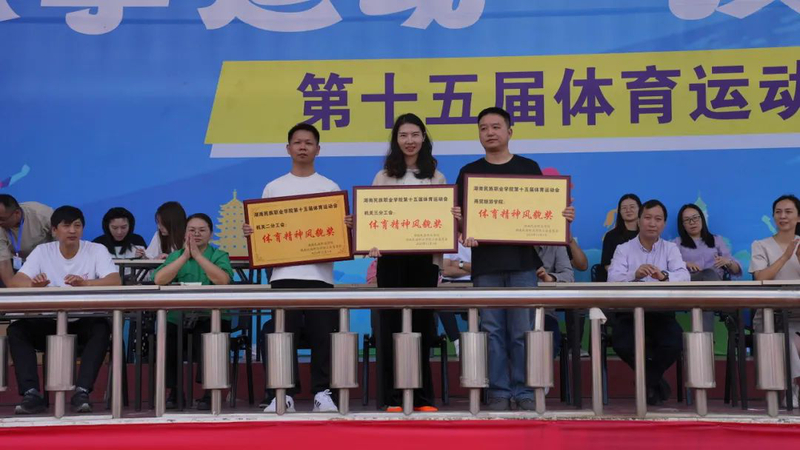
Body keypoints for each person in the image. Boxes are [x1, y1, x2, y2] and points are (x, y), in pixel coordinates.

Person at [452, 107, 575, 411]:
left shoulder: (528, 167)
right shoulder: (469, 172)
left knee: (522, 333)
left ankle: (523, 391)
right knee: (492, 333)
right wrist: (460, 225)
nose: (489, 133)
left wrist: (561, 217)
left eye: (496, 126)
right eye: (483, 128)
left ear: (509, 131)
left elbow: (544, 211)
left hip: (522, 264)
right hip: (486, 265)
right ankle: (498, 391)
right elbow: (460, 223)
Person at [243, 123, 340, 413]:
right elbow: (265, 229)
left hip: (320, 276)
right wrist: (254, 232)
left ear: (318, 149)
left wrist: (344, 228)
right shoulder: (274, 187)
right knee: (283, 336)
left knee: (324, 336)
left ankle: (323, 393)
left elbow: (337, 234)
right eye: (297, 142)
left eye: (308, 143)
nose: (302, 147)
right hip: (284, 275)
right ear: (288, 149)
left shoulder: (329, 187)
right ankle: (283, 393)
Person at [6, 206, 121, 414]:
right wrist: (33, 285)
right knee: (17, 330)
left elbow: (114, 280)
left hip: (82, 323)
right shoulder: (43, 251)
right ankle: (31, 394)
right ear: (54, 230)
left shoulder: (96, 250)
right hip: (48, 323)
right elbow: (16, 282)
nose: (72, 231)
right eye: (66, 226)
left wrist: (85, 284)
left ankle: (82, 392)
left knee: (101, 327)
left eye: (77, 225)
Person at [368, 113, 445, 412]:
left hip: (424, 260)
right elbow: (373, 218)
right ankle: (393, 398)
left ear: (423, 138)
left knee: (422, 328)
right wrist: (371, 241)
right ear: (396, 140)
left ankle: (422, 397)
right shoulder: (383, 176)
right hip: (391, 260)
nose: (409, 140)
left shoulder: (436, 177)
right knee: (391, 328)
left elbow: (442, 221)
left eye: (414, 134)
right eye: (403, 135)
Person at [607, 199, 690, 406]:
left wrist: (664, 276)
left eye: (658, 219)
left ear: (664, 224)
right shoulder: (623, 249)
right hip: (629, 312)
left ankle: (647, 380)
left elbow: (684, 276)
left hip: (661, 311)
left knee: (674, 342)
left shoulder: (670, 248)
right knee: (622, 344)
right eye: (648, 218)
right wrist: (634, 275)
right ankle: (655, 383)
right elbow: (612, 278)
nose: (652, 223)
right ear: (639, 220)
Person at [153, 213, 233, 410]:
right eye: (192, 230)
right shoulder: (176, 256)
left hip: (211, 315)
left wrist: (198, 256)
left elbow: (223, 280)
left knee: (209, 335)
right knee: (166, 336)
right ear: (184, 233)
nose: (197, 234)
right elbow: (159, 279)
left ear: (211, 234)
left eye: (202, 230)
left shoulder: (219, 255)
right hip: (179, 315)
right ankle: (174, 391)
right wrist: (185, 257)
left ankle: (209, 392)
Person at [750, 194, 800, 398]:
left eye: (788, 212)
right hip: (772, 315)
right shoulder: (760, 245)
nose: (783, 216)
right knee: (787, 337)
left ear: (798, 217)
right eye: (778, 212)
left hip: (798, 313)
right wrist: (786, 257)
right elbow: (761, 278)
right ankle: (793, 389)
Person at [0, 194, 53, 287]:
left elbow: (61, 244)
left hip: (45, 261)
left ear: (17, 213)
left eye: (2, 219)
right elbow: (3, 262)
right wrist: (13, 288)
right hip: (13, 262)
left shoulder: (42, 215)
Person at [535, 245, 573, 357]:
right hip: (512, 312)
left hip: (545, 313)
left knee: (549, 346)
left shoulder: (556, 245)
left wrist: (550, 278)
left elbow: (569, 277)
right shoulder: (512, 244)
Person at [599, 194, 642, 281]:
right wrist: (629, 277)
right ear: (619, 212)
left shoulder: (647, 235)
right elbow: (607, 265)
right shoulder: (611, 236)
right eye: (624, 208)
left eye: (632, 207)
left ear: (640, 209)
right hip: (620, 282)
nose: (628, 210)